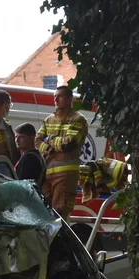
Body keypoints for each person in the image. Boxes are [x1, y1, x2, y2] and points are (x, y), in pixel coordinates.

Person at [37, 85, 88, 220]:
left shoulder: (77, 119)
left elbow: (68, 144)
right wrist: (48, 148)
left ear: (70, 99)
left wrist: (49, 139)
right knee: (43, 212)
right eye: (54, 96)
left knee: (60, 214)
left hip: (66, 175)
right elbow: (37, 141)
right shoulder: (49, 119)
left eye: (59, 96)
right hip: (47, 174)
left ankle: (61, 241)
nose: (55, 99)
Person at [13, 123, 46, 187]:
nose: (17, 140)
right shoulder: (36, 155)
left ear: (32, 138)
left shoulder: (30, 158)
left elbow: (22, 184)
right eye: (16, 137)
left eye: (22, 137)